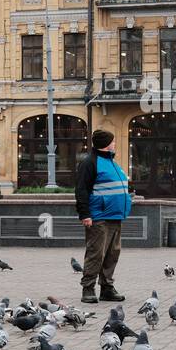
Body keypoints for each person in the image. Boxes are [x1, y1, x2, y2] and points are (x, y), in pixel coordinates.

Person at [75, 129, 131, 305]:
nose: (115, 144)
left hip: (115, 216)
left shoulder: (111, 161)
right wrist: (85, 214)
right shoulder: (90, 162)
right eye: (112, 141)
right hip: (98, 217)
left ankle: (107, 288)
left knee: (112, 254)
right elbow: (81, 190)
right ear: (106, 143)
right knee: (96, 254)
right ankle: (88, 288)